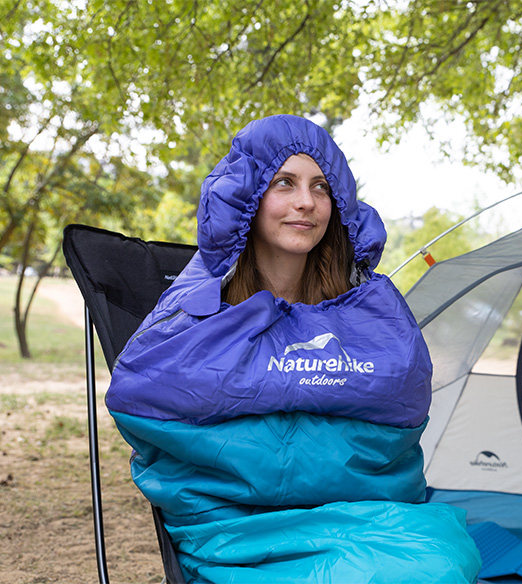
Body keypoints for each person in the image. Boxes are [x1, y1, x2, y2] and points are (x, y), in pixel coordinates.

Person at [105, 115, 482, 583]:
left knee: (440, 563)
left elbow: (399, 400)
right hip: (240, 527)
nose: (306, 202)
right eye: (284, 183)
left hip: (364, 512)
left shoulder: (362, 308)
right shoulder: (200, 308)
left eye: (321, 187)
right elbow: (146, 394)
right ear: (248, 194)